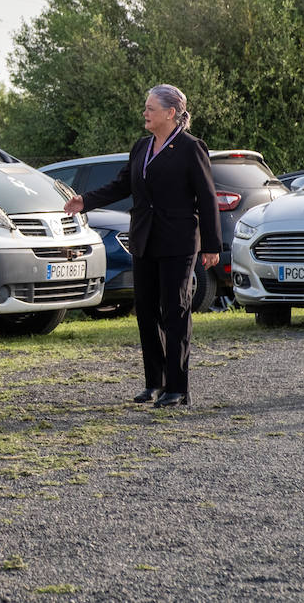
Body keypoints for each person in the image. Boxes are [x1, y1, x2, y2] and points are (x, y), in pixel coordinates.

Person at [65, 84, 221, 408]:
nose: (145, 113)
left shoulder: (192, 148)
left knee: (175, 310)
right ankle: (155, 382)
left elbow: (207, 199)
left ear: (170, 113)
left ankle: (177, 387)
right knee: (146, 311)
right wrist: (86, 200)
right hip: (144, 238)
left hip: (178, 241)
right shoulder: (142, 147)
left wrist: (211, 244)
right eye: (145, 107)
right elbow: (122, 184)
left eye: (150, 108)